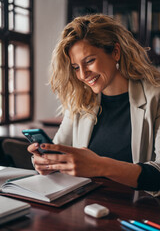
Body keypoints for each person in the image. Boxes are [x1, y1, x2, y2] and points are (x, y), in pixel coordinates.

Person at [28, 14, 160, 196]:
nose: (82, 75)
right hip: (86, 207)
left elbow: (158, 175)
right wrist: (46, 163)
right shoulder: (79, 100)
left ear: (115, 52)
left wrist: (99, 166)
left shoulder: (156, 97)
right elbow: (59, 152)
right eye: (75, 67)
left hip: (139, 210)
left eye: (89, 61)